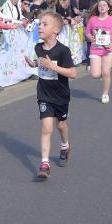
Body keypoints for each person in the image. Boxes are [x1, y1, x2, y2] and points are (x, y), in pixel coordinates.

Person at [24, 11, 77, 179]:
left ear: (56, 30)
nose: (40, 27)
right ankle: (45, 164)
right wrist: (33, 63)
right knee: (47, 128)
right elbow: (40, 62)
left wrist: (53, 66)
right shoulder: (38, 47)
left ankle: (65, 145)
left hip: (61, 95)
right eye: (39, 24)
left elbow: (73, 73)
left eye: (44, 24)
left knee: (61, 126)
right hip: (44, 94)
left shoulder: (63, 51)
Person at [85, 0, 112, 103]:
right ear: (97, 8)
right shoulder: (93, 19)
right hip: (96, 49)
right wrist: (90, 37)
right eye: (100, 5)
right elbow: (87, 32)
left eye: (104, 5)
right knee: (95, 75)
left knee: (106, 72)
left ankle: (105, 94)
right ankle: (102, 72)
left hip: (109, 50)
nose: (102, 7)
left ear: (108, 8)